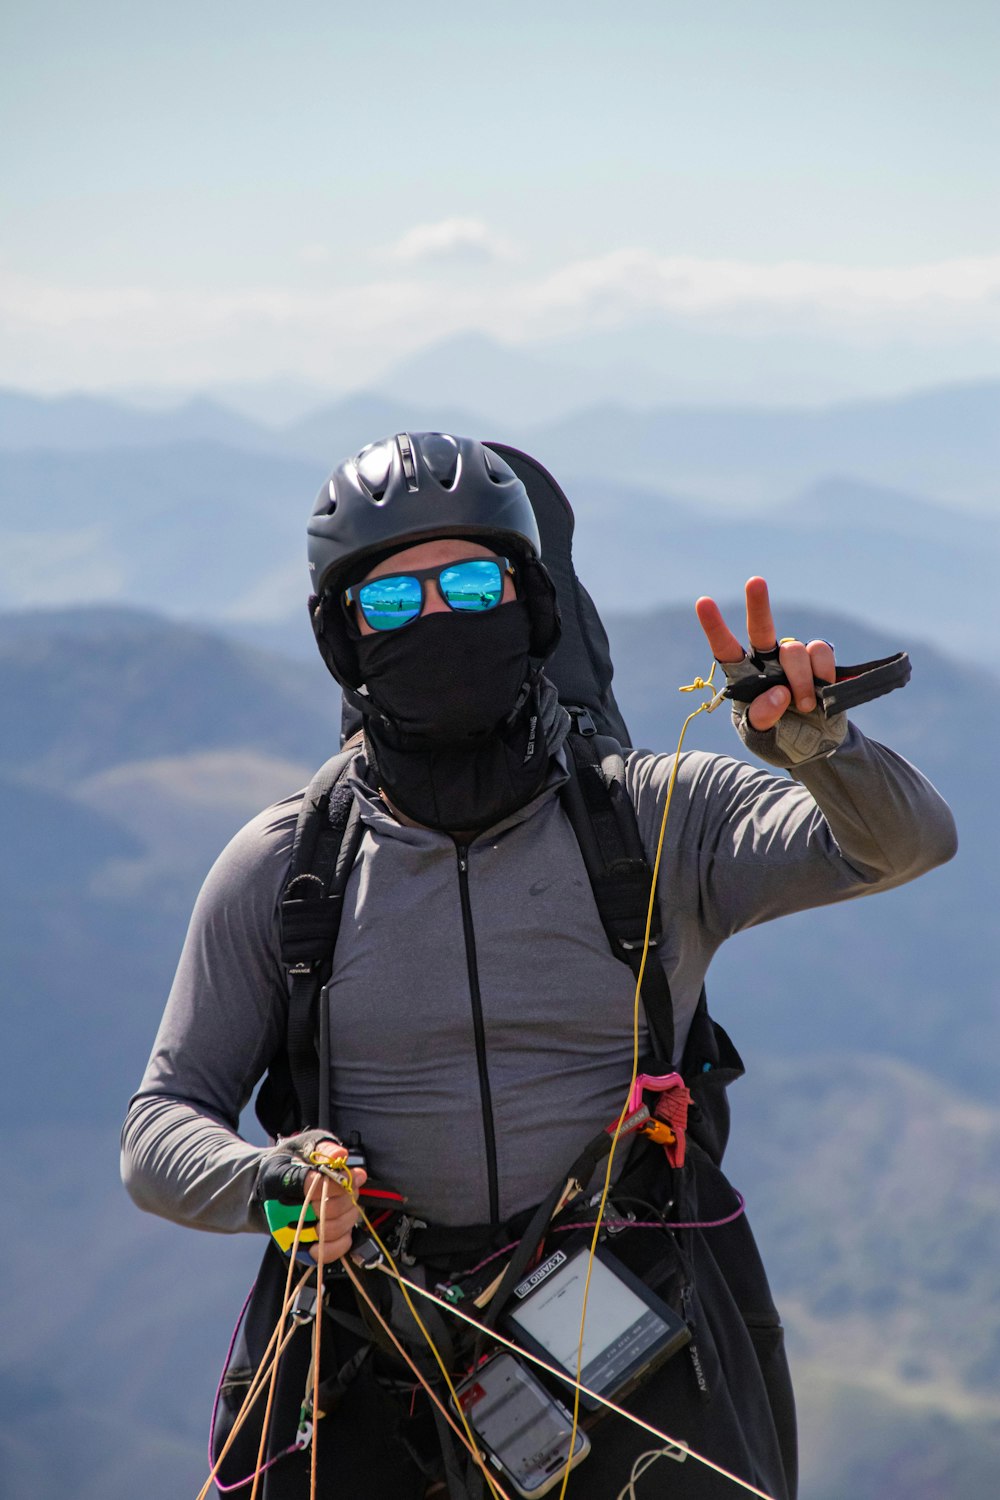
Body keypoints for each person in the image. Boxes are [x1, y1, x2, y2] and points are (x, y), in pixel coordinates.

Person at [122, 432, 956, 1500]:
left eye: (470, 582)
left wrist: (817, 748)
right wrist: (268, 1182)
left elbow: (902, 844)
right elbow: (158, 1129)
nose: (435, 618)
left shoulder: (658, 815)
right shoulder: (287, 870)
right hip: (375, 1353)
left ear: (530, 602)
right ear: (343, 637)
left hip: (636, 1338)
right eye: (390, 602)